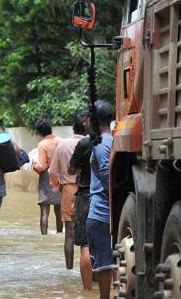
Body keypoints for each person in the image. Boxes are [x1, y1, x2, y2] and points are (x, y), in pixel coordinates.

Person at [86, 101, 116, 299]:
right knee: (112, 262)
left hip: (101, 213)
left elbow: (105, 174)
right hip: (108, 212)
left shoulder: (100, 145)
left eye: (88, 118)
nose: (85, 122)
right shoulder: (113, 141)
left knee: (104, 265)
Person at [49, 113, 86, 270]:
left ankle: (69, 270)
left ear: (73, 128)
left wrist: (57, 186)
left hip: (68, 190)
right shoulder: (91, 143)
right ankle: (90, 271)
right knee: (89, 235)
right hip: (88, 190)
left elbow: (52, 171)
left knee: (69, 234)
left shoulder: (62, 144)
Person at [68, 110, 95, 290]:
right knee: (108, 244)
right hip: (109, 196)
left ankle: (87, 291)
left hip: (85, 195)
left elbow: (71, 169)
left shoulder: (84, 143)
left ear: (89, 121)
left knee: (85, 244)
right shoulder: (113, 142)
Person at [32, 119, 62, 235]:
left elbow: (41, 166)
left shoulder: (42, 144)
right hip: (59, 176)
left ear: (39, 132)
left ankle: (44, 237)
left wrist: (33, 164)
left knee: (45, 209)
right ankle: (60, 233)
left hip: (46, 177)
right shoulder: (61, 141)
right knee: (59, 209)